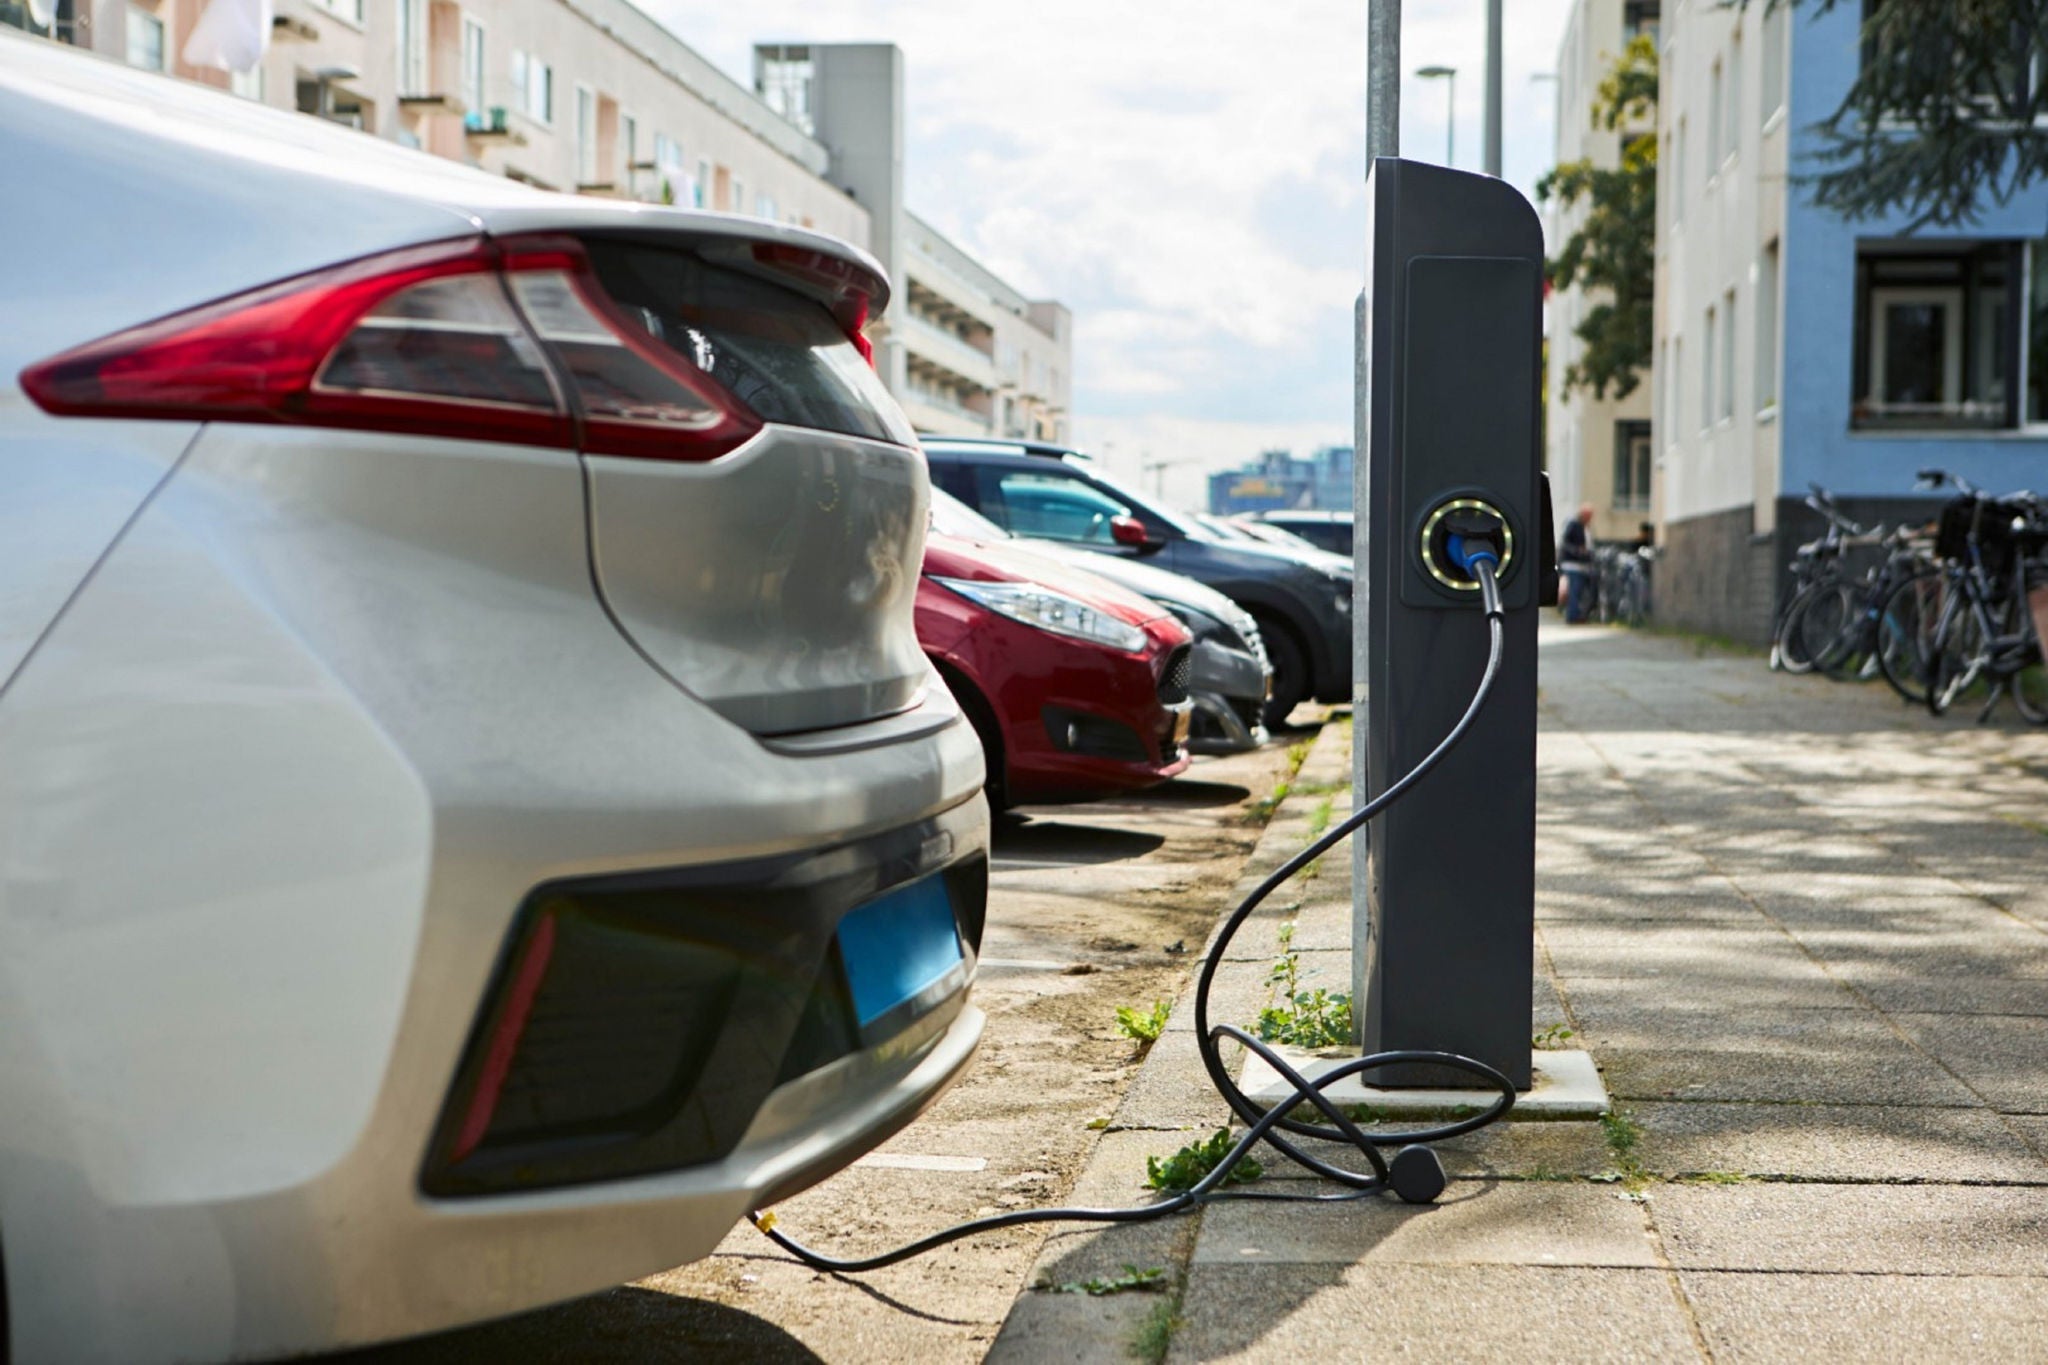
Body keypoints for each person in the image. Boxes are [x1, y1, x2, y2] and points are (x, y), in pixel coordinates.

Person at [1559, 503, 1595, 623]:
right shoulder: (1574, 525)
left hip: (1582, 565)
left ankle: (1577, 614)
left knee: (1579, 591)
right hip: (1572, 565)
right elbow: (1565, 543)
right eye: (1589, 516)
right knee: (1574, 591)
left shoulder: (1585, 527)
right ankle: (1572, 616)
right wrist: (1578, 551)